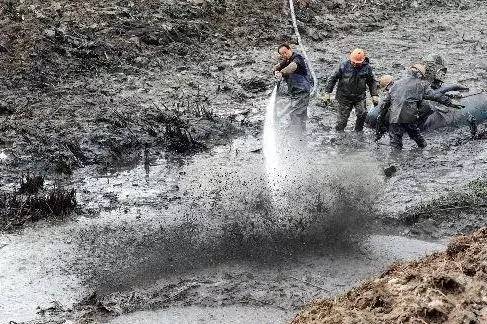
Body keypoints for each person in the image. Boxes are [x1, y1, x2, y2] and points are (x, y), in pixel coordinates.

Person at [380, 63, 462, 150]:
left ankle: (395, 162)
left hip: (394, 119)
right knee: (418, 139)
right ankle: (422, 152)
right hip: (409, 118)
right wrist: (450, 102)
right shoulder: (422, 85)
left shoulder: (396, 84)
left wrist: (381, 119)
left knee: (395, 146)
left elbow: (385, 104)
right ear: (421, 75)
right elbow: (435, 96)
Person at [323, 48, 379, 132]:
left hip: (359, 97)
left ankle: (358, 131)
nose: (355, 64)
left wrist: (374, 95)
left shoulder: (367, 68)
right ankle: (339, 134)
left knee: (362, 114)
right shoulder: (343, 65)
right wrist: (327, 92)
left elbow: (372, 82)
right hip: (344, 97)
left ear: (363, 61)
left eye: (357, 63)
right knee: (342, 121)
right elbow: (332, 78)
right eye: (353, 62)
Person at [273, 43, 312, 134]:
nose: (284, 55)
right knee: (301, 113)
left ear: (290, 49)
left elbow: (292, 67)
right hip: (294, 92)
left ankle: (295, 135)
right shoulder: (286, 61)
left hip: (302, 91)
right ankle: (302, 133)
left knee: (295, 113)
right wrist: (275, 71)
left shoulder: (297, 58)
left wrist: (281, 73)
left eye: (285, 53)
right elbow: (277, 67)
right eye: (282, 54)